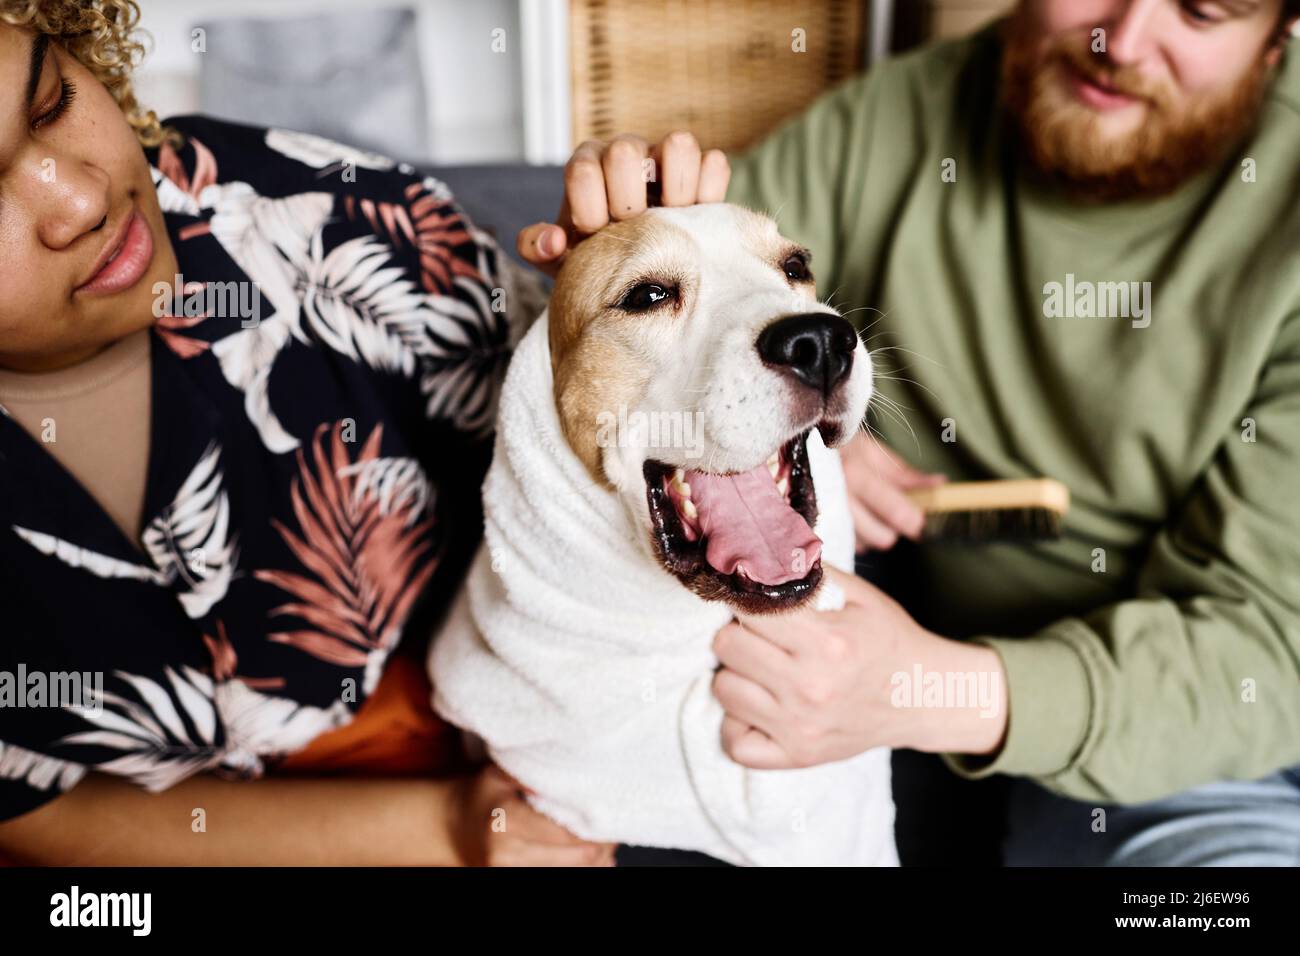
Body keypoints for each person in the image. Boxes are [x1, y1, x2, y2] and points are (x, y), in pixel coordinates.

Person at [521, 0, 1300, 865]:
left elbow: (1272, 649)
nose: (1119, 38)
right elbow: (715, 301)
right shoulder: (901, 114)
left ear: (1278, 41)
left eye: (1201, 10)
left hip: (1223, 749)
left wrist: (921, 691)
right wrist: (627, 226)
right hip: (951, 678)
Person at [0, 0, 614, 866]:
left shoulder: (313, 221)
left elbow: (586, 427)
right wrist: (441, 830)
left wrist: (648, 309)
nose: (81, 199)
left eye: (53, 103)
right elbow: (29, 810)